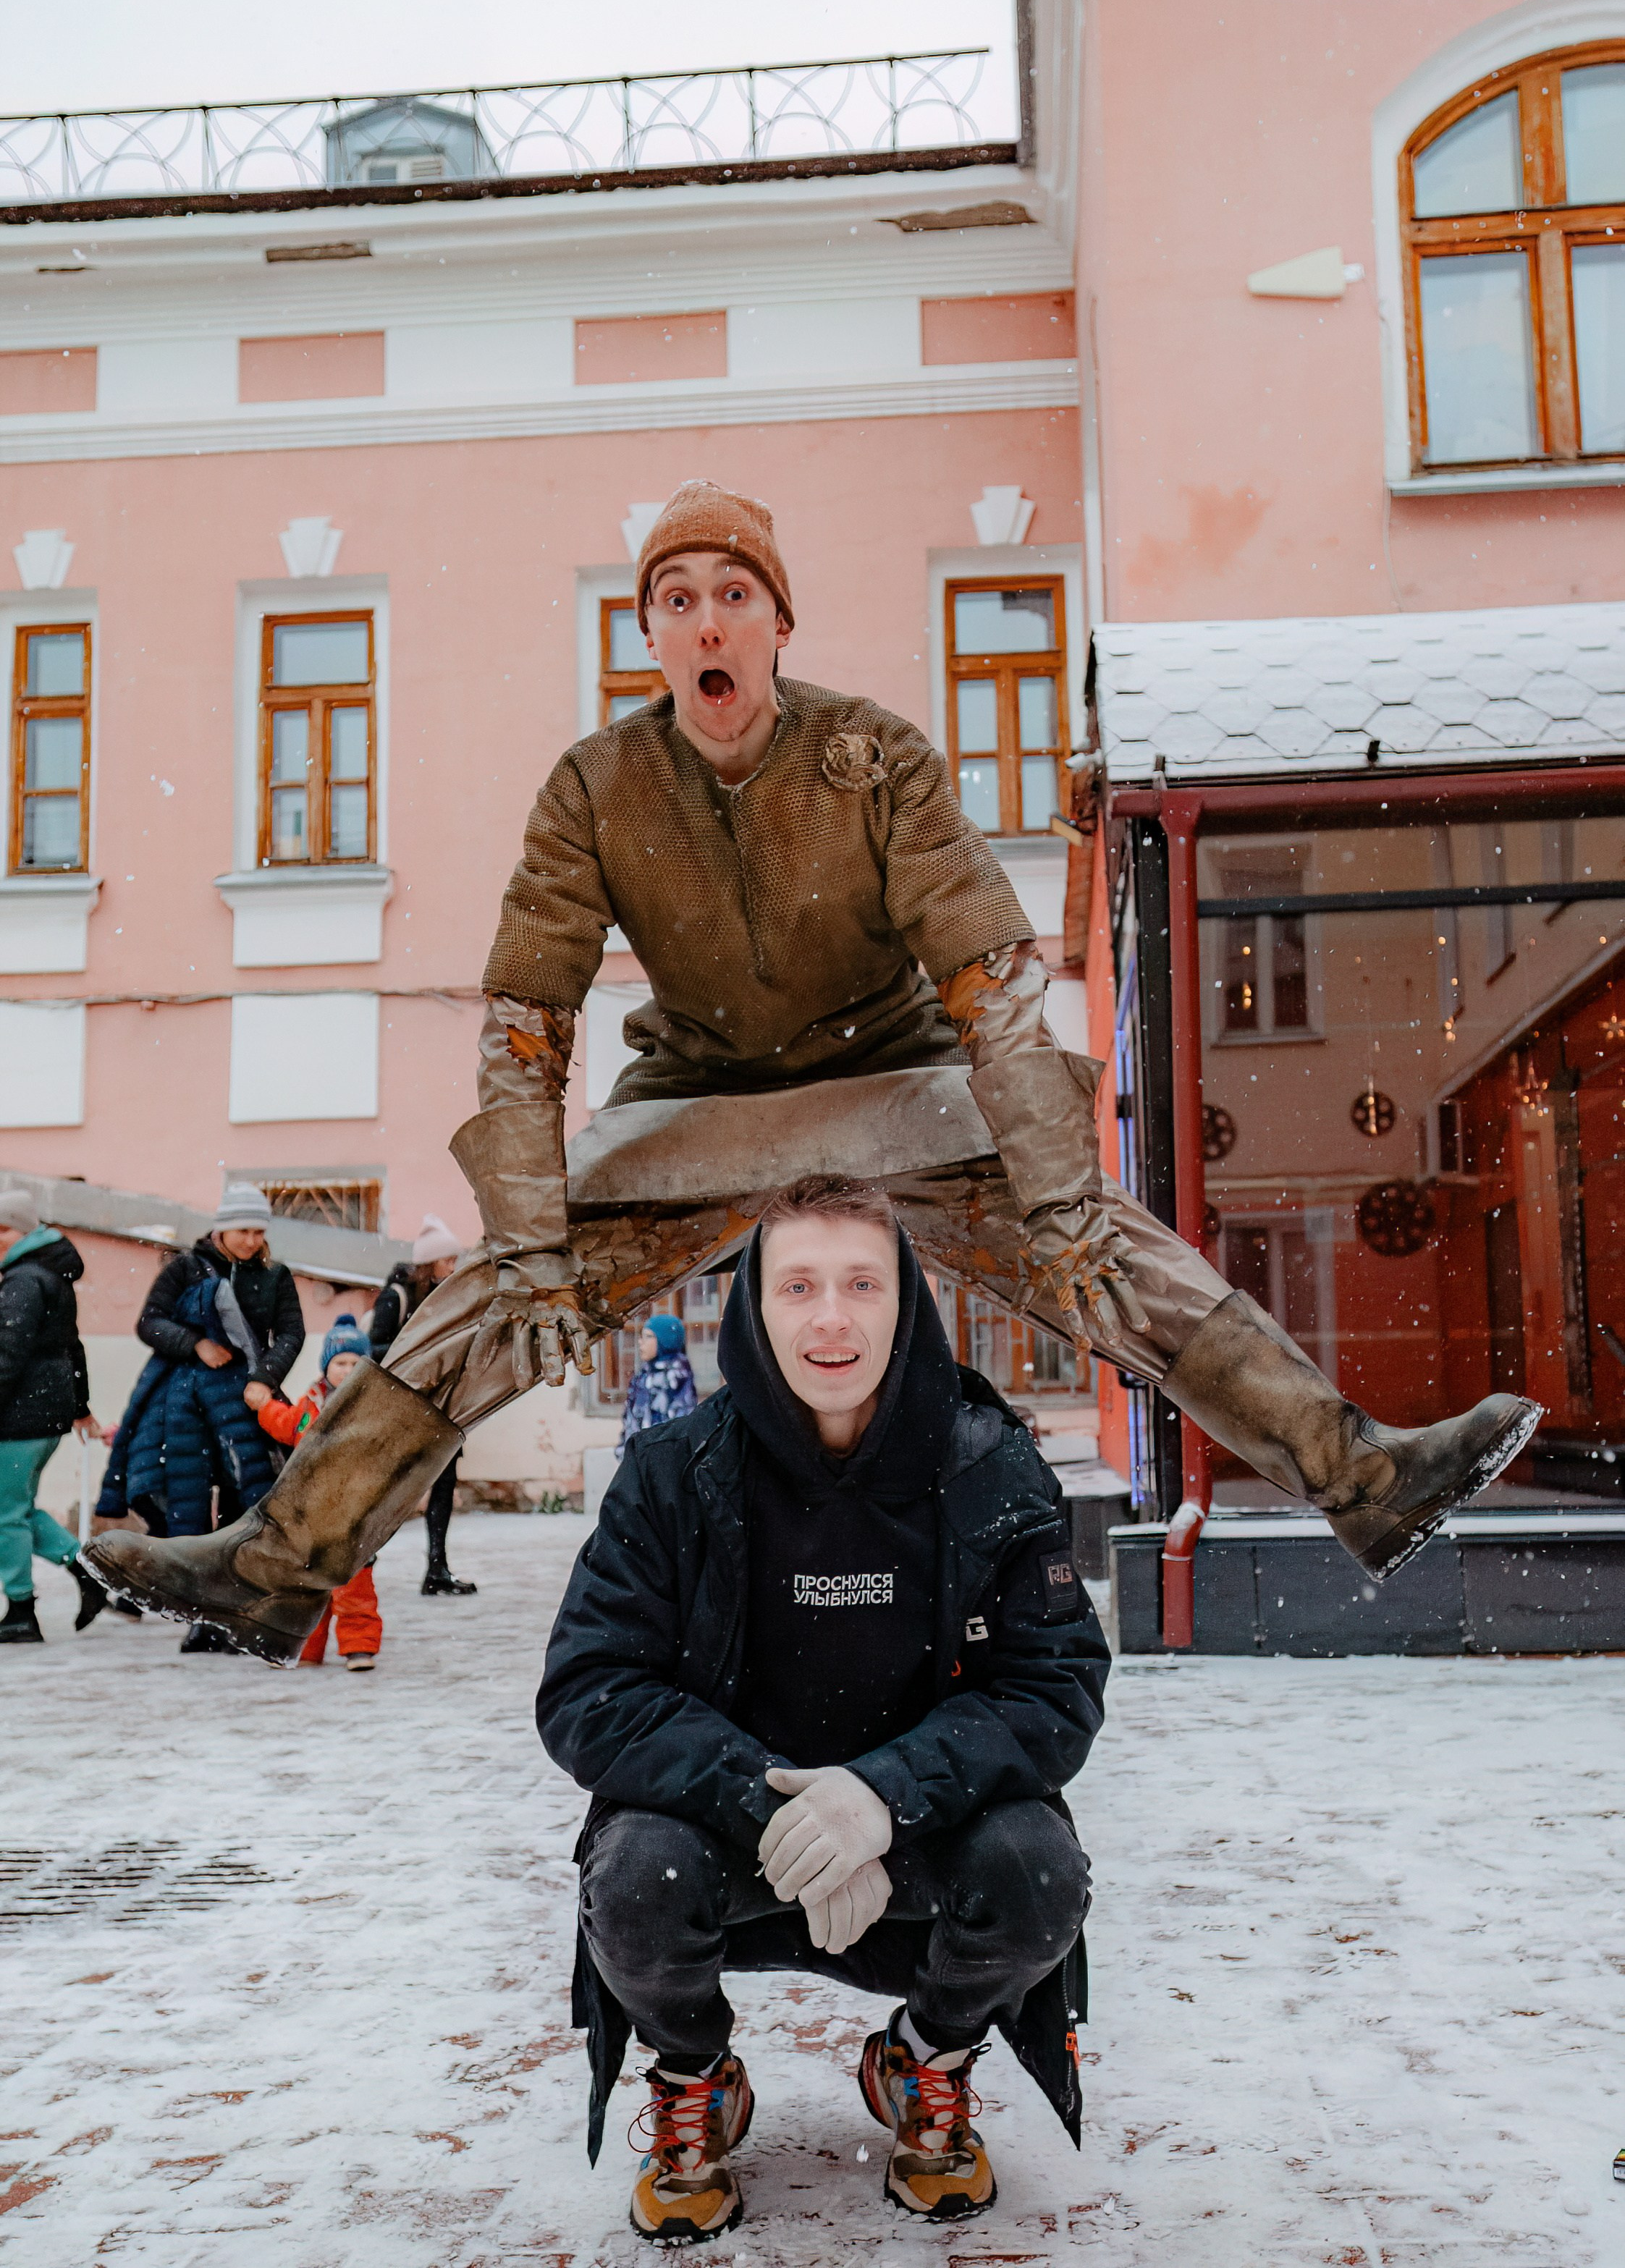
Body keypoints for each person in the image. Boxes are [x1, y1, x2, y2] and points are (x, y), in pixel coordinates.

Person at [86, 480, 1539, 1661]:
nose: (704, 622)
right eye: (674, 600)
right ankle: (281, 1568)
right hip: (694, 1101)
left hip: (891, 1077)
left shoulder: (874, 758)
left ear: (776, 621)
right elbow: (526, 1010)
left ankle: (1363, 1479)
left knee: (1107, 1253)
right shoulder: (596, 786)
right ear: (649, 636)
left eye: (731, 595)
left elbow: (983, 966)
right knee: (486, 1303)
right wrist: (533, 1234)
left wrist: (1049, 1185)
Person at [540, 1172, 1103, 2235]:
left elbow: (1058, 1688)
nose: (831, 1316)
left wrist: (883, 1799)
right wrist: (779, 1805)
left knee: (1039, 1870)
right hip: (726, 1844)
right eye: (798, 1284)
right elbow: (588, 1689)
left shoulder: (994, 1465)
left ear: (907, 1302)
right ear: (755, 1304)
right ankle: (696, 2076)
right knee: (629, 1877)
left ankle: (926, 2057)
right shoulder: (672, 1472)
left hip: (924, 1840)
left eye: (862, 1283)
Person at [96, 1181, 303, 1651]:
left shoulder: (275, 1275)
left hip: (243, 1401)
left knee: (241, 1502)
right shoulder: (185, 1270)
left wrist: (265, 1377)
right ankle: (199, 1615)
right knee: (182, 1502)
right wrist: (195, 1344)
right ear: (221, 1227)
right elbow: (150, 1322)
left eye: (258, 1231)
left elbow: (290, 1332)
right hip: (182, 1405)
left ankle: (229, 1611)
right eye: (241, 1230)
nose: (251, 1240)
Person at [0, 1187, 108, 1645]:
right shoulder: (48, 1275)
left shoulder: (24, 1280)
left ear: (19, 1231)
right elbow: (72, 1345)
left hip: (19, 1416)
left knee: (6, 1514)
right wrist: (79, 1407)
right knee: (13, 1508)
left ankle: (21, 1611)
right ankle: (88, 1571)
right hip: (41, 1414)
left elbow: (7, 1353)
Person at [250, 1320, 382, 1673]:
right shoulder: (311, 1403)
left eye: (357, 1364)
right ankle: (305, 1650)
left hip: (355, 1513)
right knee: (308, 1586)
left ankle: (359, 1648)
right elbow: (287, 1424)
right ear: (326, 1367)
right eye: (341, 1363)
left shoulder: (374, 1405)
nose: (348, 1370)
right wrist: (266, 1406)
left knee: (354, 1585)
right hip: (310, 1514)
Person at [369, 1216, 471, 1596]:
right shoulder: (397, 1296)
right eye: (448, 1261)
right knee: (389, 1492)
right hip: (403, 1410)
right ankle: (363, 1566)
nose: (454, 1268)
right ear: (430, 1263)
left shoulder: (447, 1297)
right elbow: (374, 1349)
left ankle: (437, 1569)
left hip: (443, 1406)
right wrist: (419, 1358)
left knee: (444, 1488)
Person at [615, 1311, 696, 1457]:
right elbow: (630, 1420)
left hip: (664, 1463)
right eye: (641, 1336)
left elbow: (680, 1425)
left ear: (664, 1340)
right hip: (637, 1461)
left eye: (648, 1337)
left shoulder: (676, 1377)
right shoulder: (642, 1377)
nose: (641, 1342)